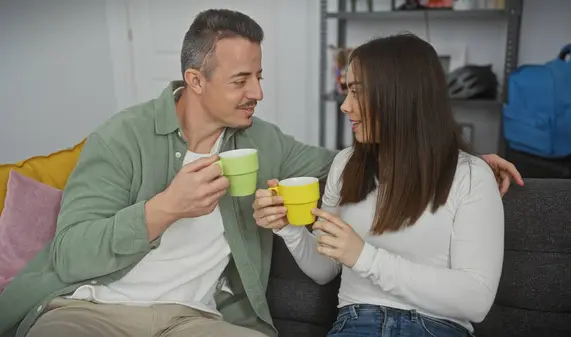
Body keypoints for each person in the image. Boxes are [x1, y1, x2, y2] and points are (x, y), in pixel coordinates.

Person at [0, 9, 521, 337]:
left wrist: (459, 159)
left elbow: (350, 169)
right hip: (97, 310)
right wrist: (165, 209)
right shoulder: (120, 138)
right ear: (195, 80)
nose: (259, 92)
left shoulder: (263, 143)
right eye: (242, 79)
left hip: (196, 318)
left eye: (261, 76)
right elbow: (70, 252)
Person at [253, 33, 506, 337]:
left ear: (399, 96)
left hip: (436, 328)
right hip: (356, 323)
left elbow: (476, 300)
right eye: (347, 91)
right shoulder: (346, 166)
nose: (345, 106)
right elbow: (324, 270)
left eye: (357, 92)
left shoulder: (471, 176)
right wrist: (289, 228)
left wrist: (365, 257)